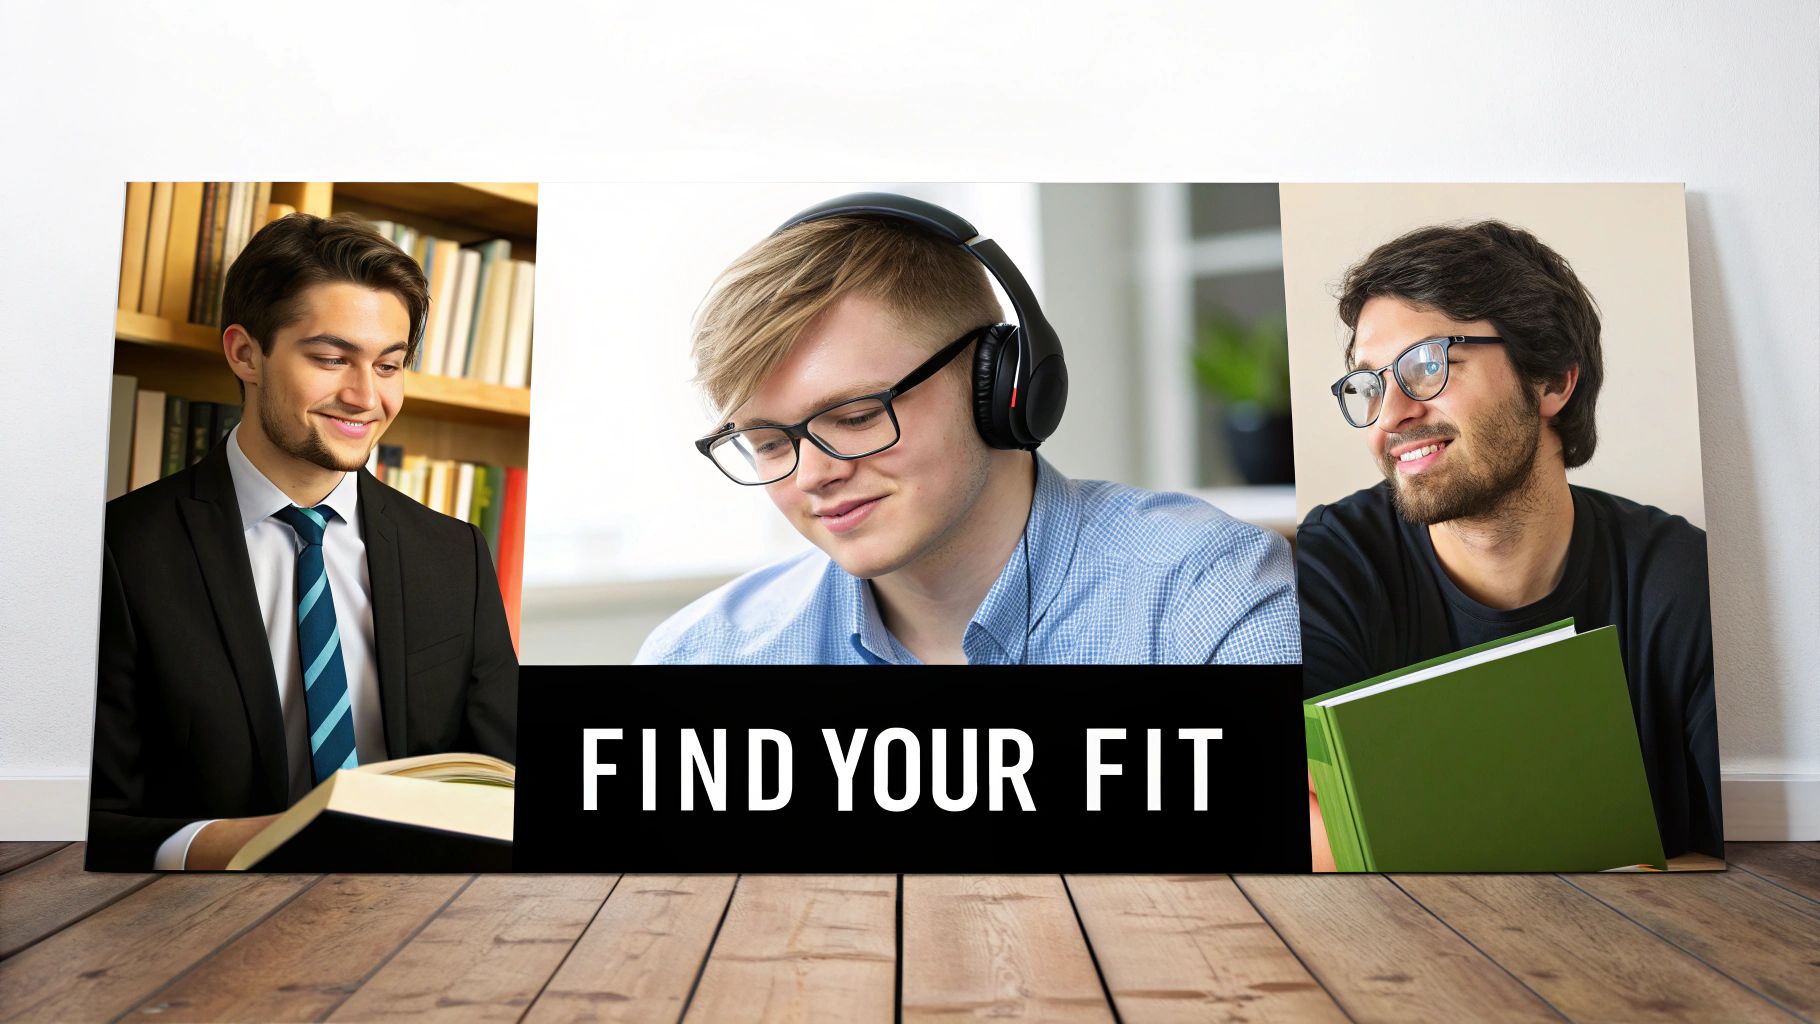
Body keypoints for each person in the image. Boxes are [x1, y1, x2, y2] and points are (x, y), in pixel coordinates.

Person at [637, 194, 1300, 665]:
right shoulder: (700, 654)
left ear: (1001, 384)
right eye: (770, 443)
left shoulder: (1206, 591)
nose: (813, 475)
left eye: (858, 416)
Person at [89, 214, 517, 870]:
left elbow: (503, 781)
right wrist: (250, 844)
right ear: (245, 353)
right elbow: (86, 821)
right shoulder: (120, 551)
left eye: (389, 365)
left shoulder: (454, 553)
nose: (364, 396)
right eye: (331, 358)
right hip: (195, 929)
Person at [1297, 220, 1721, 863]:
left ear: (1552, 380)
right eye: (1370, 384)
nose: (1390, 414)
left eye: (1428, 365)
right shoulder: (1334, 565)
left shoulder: (1685, 580)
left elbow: (1764, 854)